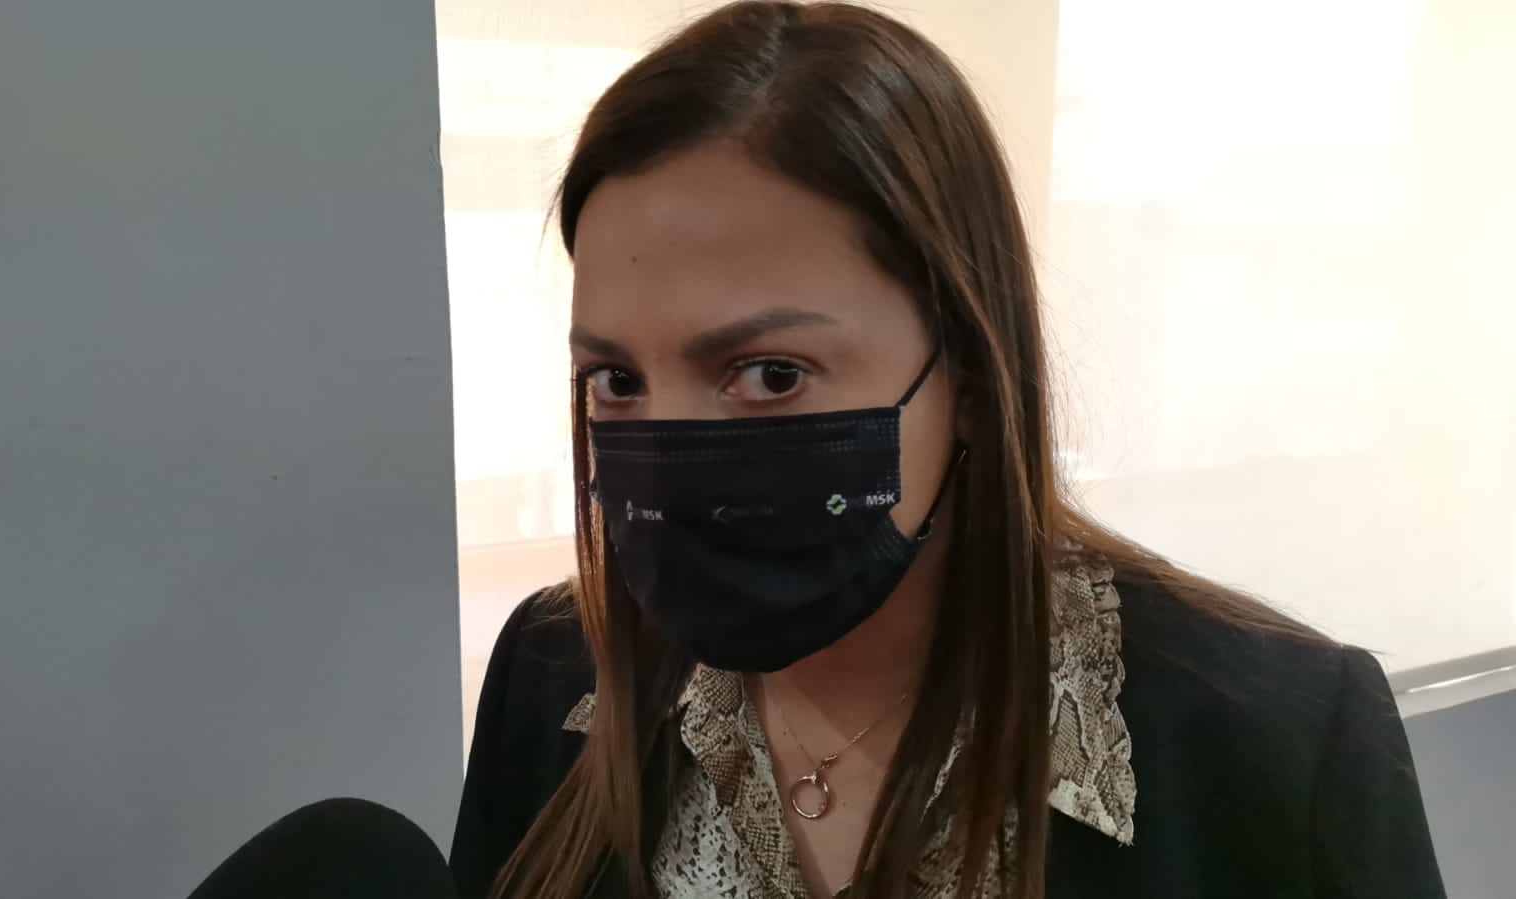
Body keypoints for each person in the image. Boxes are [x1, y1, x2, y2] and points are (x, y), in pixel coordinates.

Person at [449, 2, 1445, 897]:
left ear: (967, 371)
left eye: (771, 373)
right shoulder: (554, 672)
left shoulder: (1274, 739)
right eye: (616, 379)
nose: (672, 456)